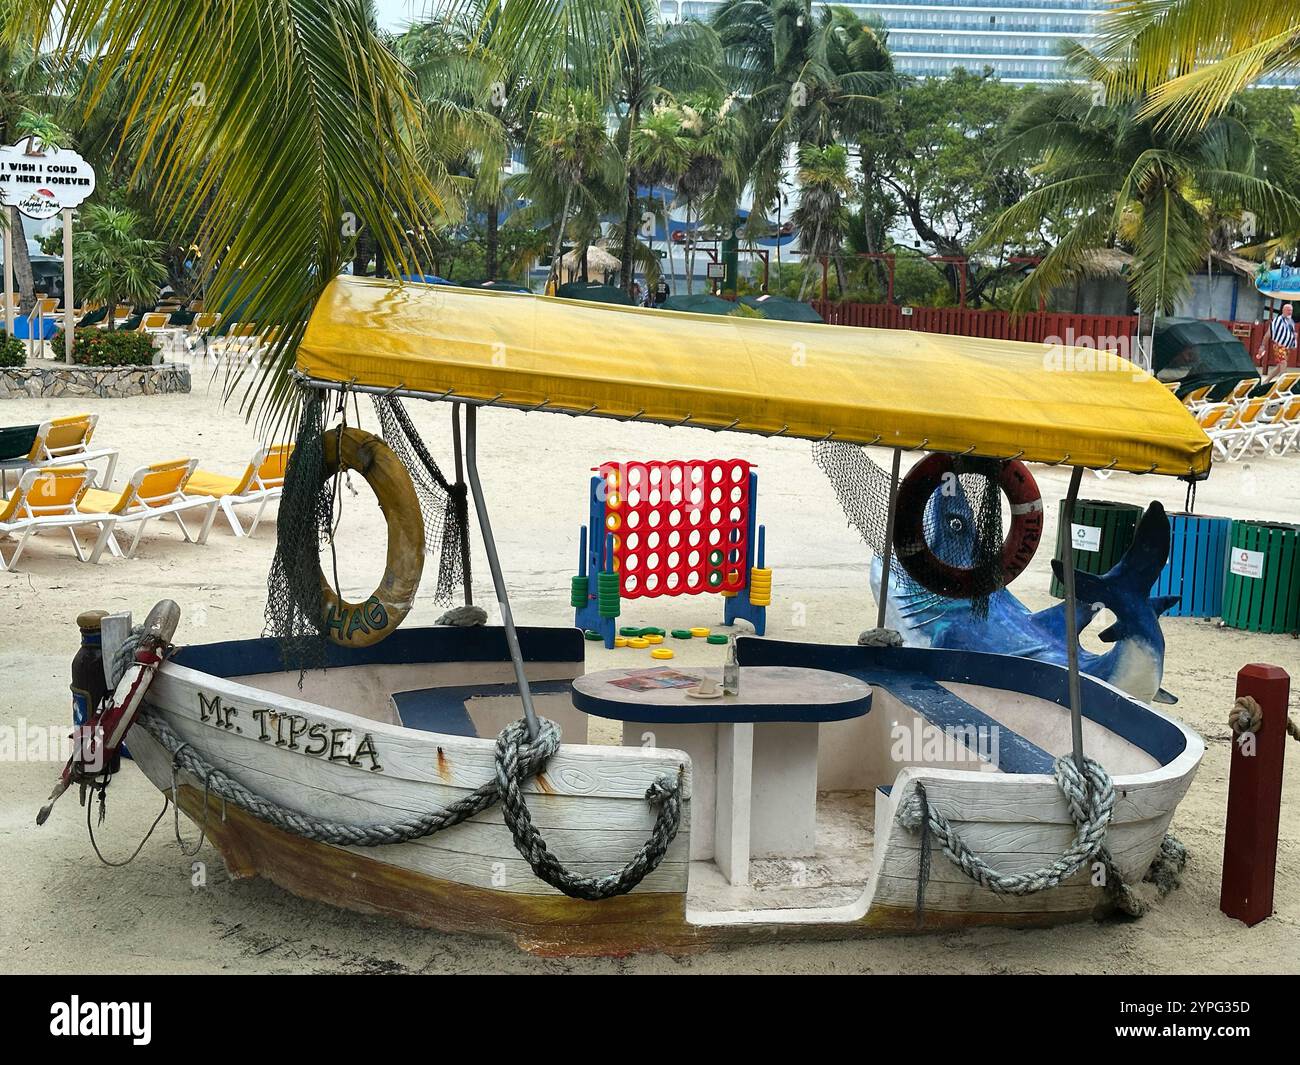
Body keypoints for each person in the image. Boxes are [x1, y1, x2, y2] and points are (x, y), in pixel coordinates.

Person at [1261, 302, 1295, 382]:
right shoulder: (1278, 320)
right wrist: (1262, 346)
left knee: (1279, 366)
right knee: (1283, 363)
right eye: (1288, 310)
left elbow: (1292, 334)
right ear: (1283, 310)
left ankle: (1266, 381)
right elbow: (1268, 334)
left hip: (1286, 346)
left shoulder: (1290, 321)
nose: (1290, 312)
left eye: (1291, 310)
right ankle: (1282, 381)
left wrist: (1293, 344)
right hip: (1279, 345)